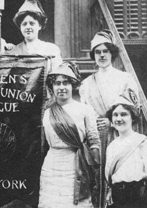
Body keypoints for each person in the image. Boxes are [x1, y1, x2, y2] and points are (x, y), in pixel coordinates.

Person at [79, 29, 139, 207]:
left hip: (119, 136)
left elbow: (132, 110)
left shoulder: (125, 78)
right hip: (97, 138)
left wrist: (112, 121)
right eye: (98, 52)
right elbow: (85, 112)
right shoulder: (86, 84)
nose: (102, 55)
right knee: (96, 179)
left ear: (112, 53)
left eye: (105, 51)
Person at [38, 62, 100, 208]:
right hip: (51, 166)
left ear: (73, 85)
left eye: (66, 83)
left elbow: (93, 139)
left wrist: (95, 168)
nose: (61, 87)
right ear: (52, 87)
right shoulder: (47, 112)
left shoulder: (85, 110)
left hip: (76, 166)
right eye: (57, 83)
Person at [105, 90, 147, 208]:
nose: (119, 119)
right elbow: (111, 175)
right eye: (115, 115)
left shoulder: (142, 142)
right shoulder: (111, 146)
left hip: (138, 197)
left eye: (124, 114)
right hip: (117, 197)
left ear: (132, 117)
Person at [8, 0, 63, 69]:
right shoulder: (14, 51)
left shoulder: (51, 49)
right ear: (20, 27)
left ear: (39, 26)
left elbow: (58, 74)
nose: (28, 27)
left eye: (32, 23)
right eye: (24, 24)